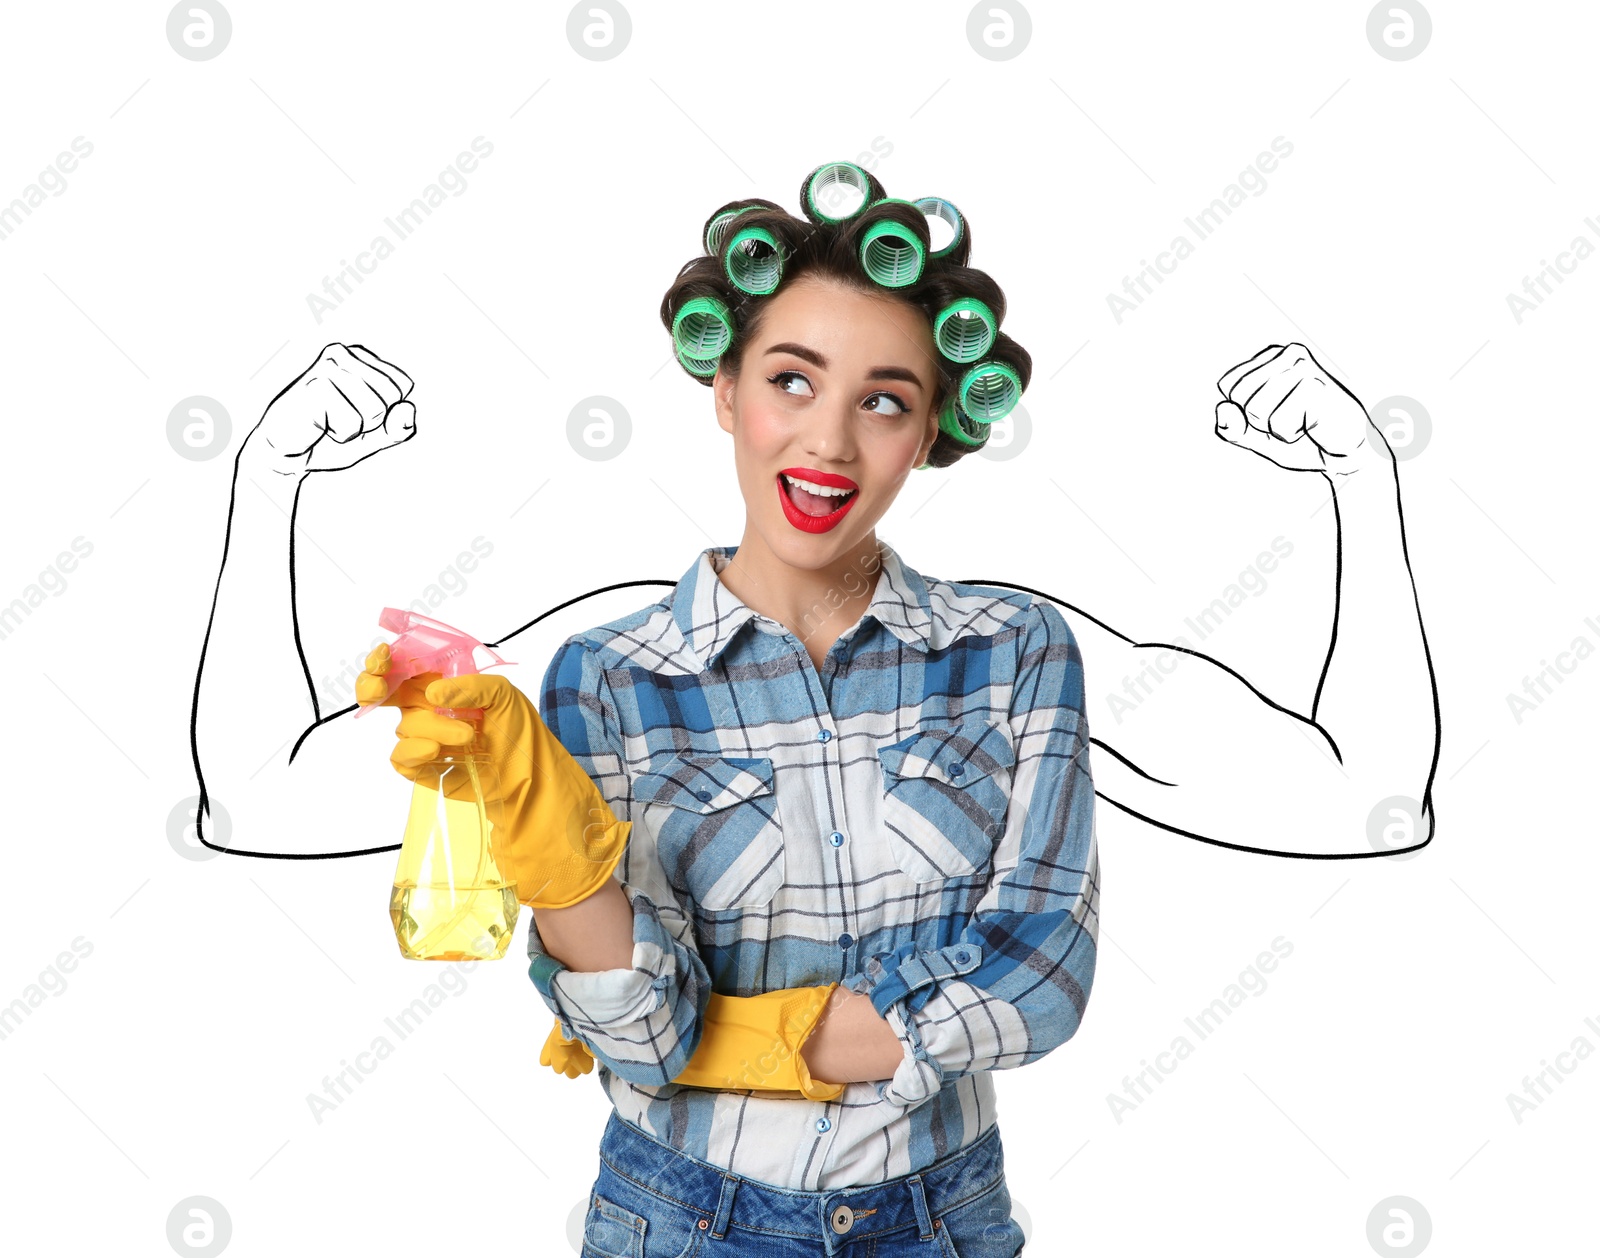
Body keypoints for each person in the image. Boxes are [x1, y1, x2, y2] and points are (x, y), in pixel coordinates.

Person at [191, 162, 1438, 1255]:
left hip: (943, 1221)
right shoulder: (607, 671)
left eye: (884, 400)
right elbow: (630, 1028)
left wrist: (1363, 478)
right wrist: (266, 481)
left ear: (933, 430)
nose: (830, 441)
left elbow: (1077, 955)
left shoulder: (1012, 650)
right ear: (724, 392)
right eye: (792, 380)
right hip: (685, 1225)